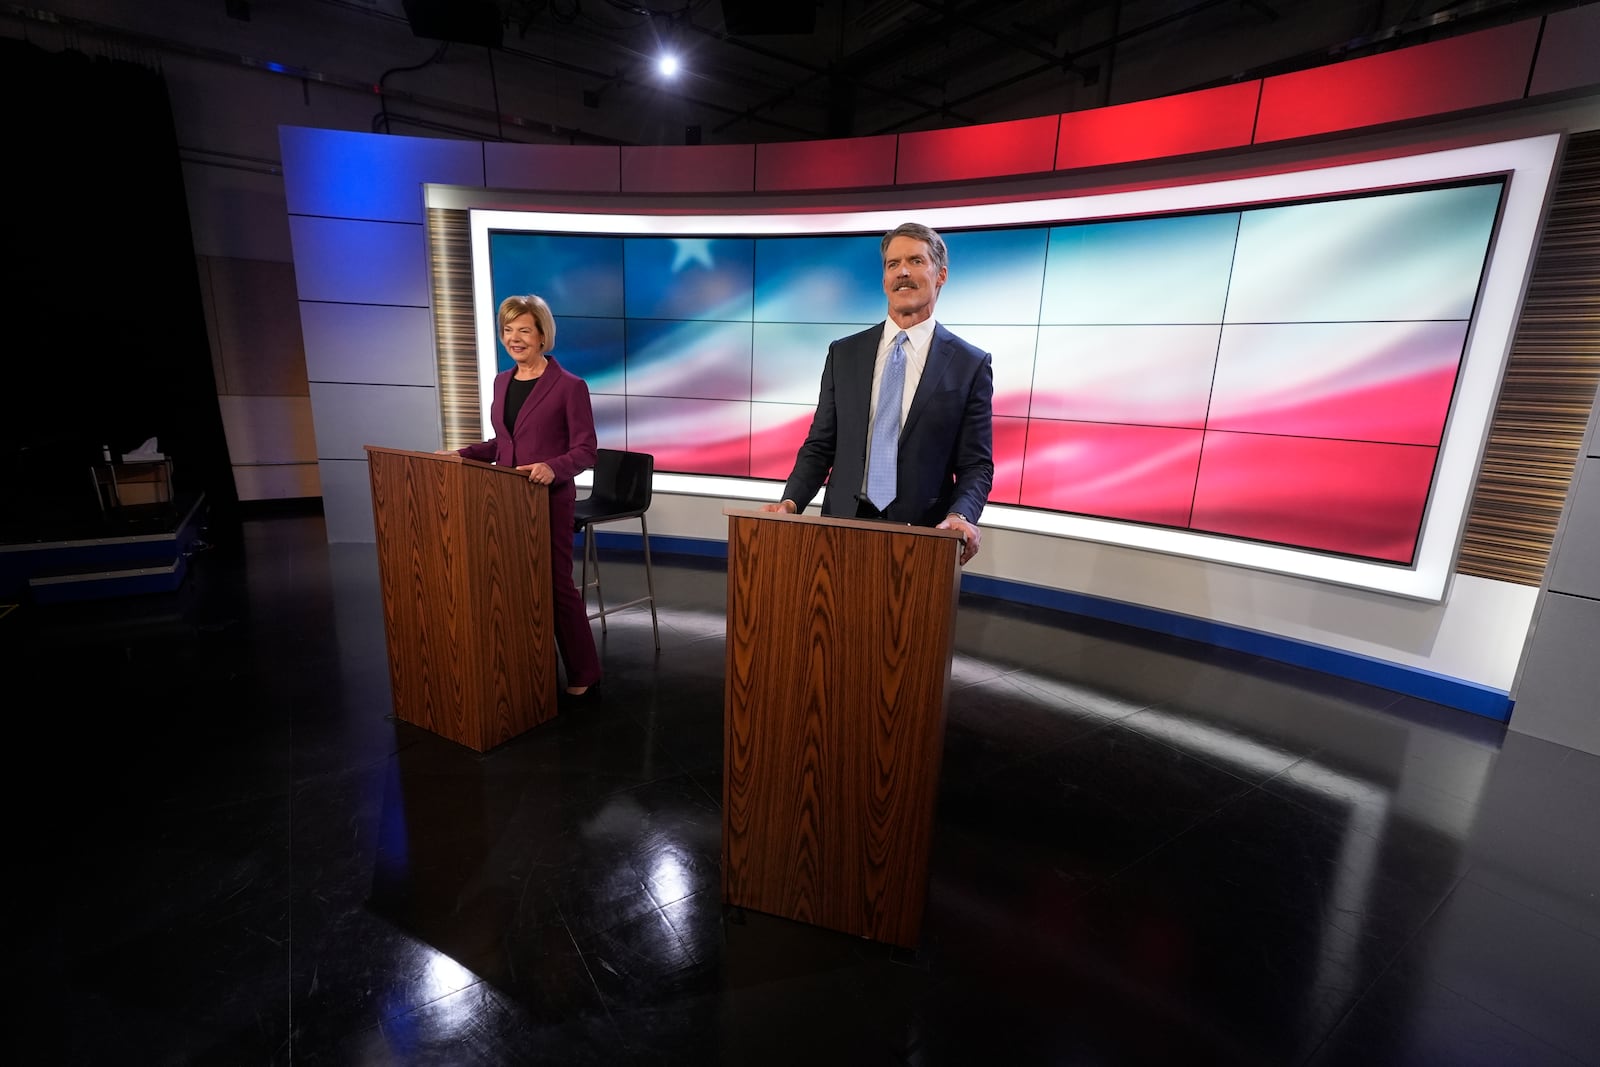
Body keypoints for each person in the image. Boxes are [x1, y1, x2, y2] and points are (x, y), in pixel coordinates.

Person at [763, 222, 994, 564]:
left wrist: (961, 516)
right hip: (840, 529)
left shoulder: (970, 364)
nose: (903, 272)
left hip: (923, 539)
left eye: (916, 261)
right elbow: (820, 444)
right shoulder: (844, 354)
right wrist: (790, 502)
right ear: (885, 279)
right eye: (892, 264)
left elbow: (976, 464)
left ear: (941, 275)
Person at [444, 294, 602, 699]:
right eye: (508, 330)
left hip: (549, 500)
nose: (514, 338)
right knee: (513, 584)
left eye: (524, 330)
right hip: (506, 500)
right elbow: (505, 442)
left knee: (555, 584)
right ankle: (525, 667)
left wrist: (553, 467)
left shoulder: (570, 387)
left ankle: (585, 669)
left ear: (542, 335)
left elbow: (586, 450)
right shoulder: (501, 381)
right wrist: (460, 454)